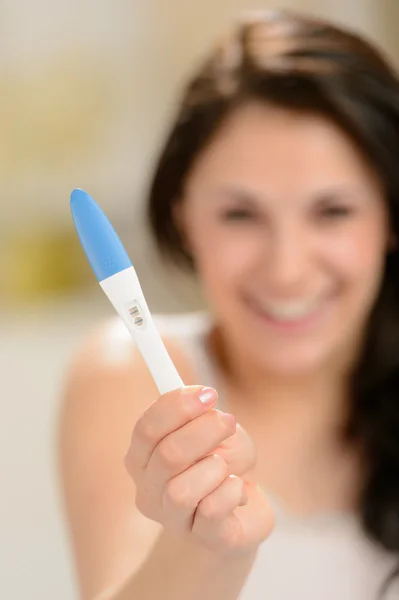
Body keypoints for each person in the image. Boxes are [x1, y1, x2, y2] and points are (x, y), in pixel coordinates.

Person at [58, 9, 399, 600]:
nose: (287, 269)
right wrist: (200, 550)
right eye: (240, 214)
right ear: (183, 217)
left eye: (333, 211)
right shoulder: (126, 373)